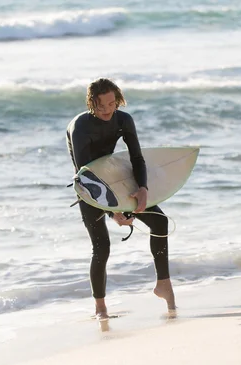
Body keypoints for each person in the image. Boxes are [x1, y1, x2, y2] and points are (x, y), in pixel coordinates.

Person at [66, 78, 176, 319]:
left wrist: (143, 188)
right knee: (102, 246)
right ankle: (100, 308)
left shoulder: (123, 120)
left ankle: (163, 284)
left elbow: (136, 158)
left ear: (118, 100)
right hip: (88, 187)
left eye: (112, 103)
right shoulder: (80, 127)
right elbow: (86, 174)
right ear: (91, 103)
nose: (107, 110)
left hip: (116, 177)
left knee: (160, 221)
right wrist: (111, 211)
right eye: (101, 105)